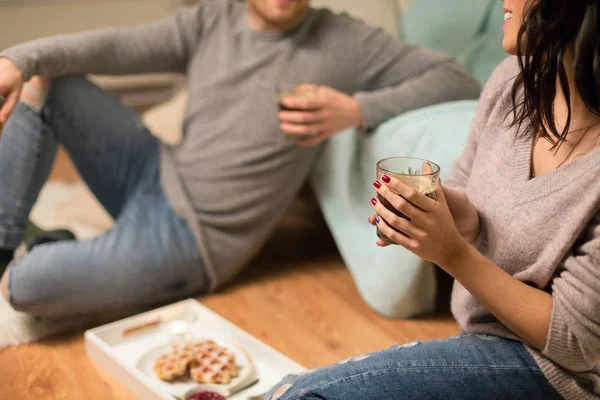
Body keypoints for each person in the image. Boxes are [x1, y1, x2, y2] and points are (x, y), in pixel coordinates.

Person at [0, 0, 480, 318]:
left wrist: (356, 110)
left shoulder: (344, 40)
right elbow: (118, 47)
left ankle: (44, 253)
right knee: (49, 81)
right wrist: (19, 59)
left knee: (22, 287)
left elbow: (454, 76)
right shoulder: (213, 18)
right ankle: (4, 242)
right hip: (152, 169)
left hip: (192, 240)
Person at [264, 0, 600, 399]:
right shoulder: (513, 81)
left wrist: (453, 253)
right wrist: (453, 214)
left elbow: (576, 342)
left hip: (557, 378)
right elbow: (469, 192)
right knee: (288, 390)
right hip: (483, 342)